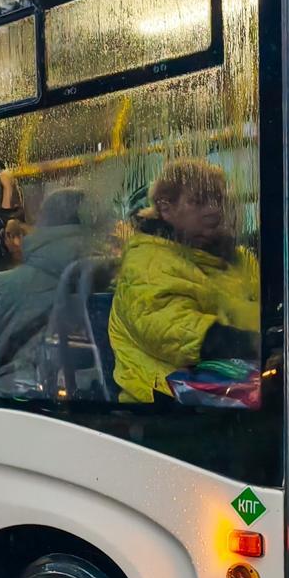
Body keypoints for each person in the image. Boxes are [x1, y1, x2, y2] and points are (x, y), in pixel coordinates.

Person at [107, 159, 260, 404]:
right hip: (163, 405)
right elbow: (172, 330)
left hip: (229, 388)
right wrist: (254, 342)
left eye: (218, 200)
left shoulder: (238, 258)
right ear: (166, 208)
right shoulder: (147, 261)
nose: (213, 211)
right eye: (197, 201)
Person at [0, 193, 99, 397]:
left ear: (42, 224)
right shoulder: (107, 274)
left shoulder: (8, 285)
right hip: (92, 400)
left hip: (21, 401)